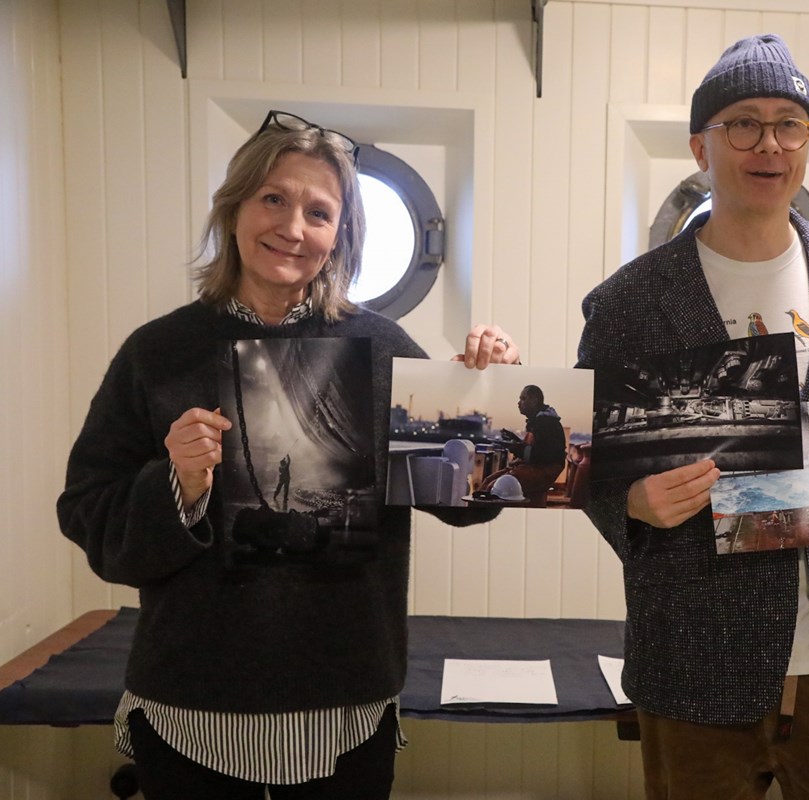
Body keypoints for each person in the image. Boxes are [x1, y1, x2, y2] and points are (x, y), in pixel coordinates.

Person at [57, 110, 520, 798]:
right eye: (273, 198)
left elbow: (468, 509)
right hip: (193, 700)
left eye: (319, 211)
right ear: (234, 208)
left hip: (346, 699)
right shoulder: (158, 353)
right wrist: (176, 484)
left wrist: (488, 397)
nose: (293, 227)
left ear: (340, 237)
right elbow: (87, 510)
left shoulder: (384, 348)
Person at [576, 35, 809, 800]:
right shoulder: (628, 302)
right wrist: (629, 502)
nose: (769, 143)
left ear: (808, 142)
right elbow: (586, 465)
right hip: (695, 653)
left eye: (790, 123)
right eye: (742, 123)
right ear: (700, 146)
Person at [480, 384, 567, 504]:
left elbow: (544, 456)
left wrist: (515, 448)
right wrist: (513, 439)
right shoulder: (538, 420)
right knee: (487, 481)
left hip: (543, 469)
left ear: (534, 400)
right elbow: (535, 448)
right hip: (532, 466)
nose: (519, 403)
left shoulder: (546, 423)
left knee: (492, 488)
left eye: (523, 399)